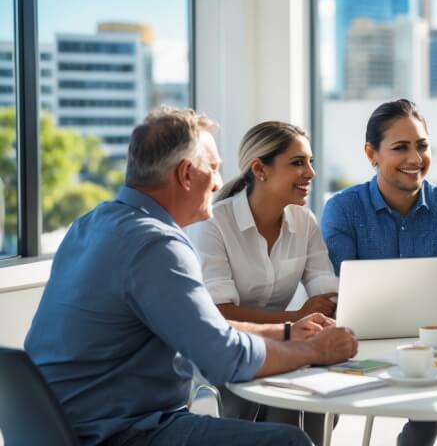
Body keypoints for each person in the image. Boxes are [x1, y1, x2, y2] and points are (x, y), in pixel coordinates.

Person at [25, 107, 358, 446]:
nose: (218, 182)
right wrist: (315, 351)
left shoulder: (93, 223)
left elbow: (202, 325)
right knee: (288, 442)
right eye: (213, 168)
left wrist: (287, 331)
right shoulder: (156, 244)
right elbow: (224, 359)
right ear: (186, 174)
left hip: (58, 427)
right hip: (120, 433)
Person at [320, 99, 437, 446]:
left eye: (422, 146)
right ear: (371, 153)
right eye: (400, 147)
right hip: (364, 344)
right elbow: (337, 291)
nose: (415, 159)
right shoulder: (343, 209)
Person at [188, 121, 339, 443]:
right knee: (290, 397)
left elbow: (327, 292)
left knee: (320, 387)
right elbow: (222, 315)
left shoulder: (304, 221)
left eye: (310, 161)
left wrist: (316, 313)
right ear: (260, 169)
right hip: (225, 351)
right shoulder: (214, 224)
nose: (310, 172)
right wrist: (298, 319)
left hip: (285, 344)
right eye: (297, 163)